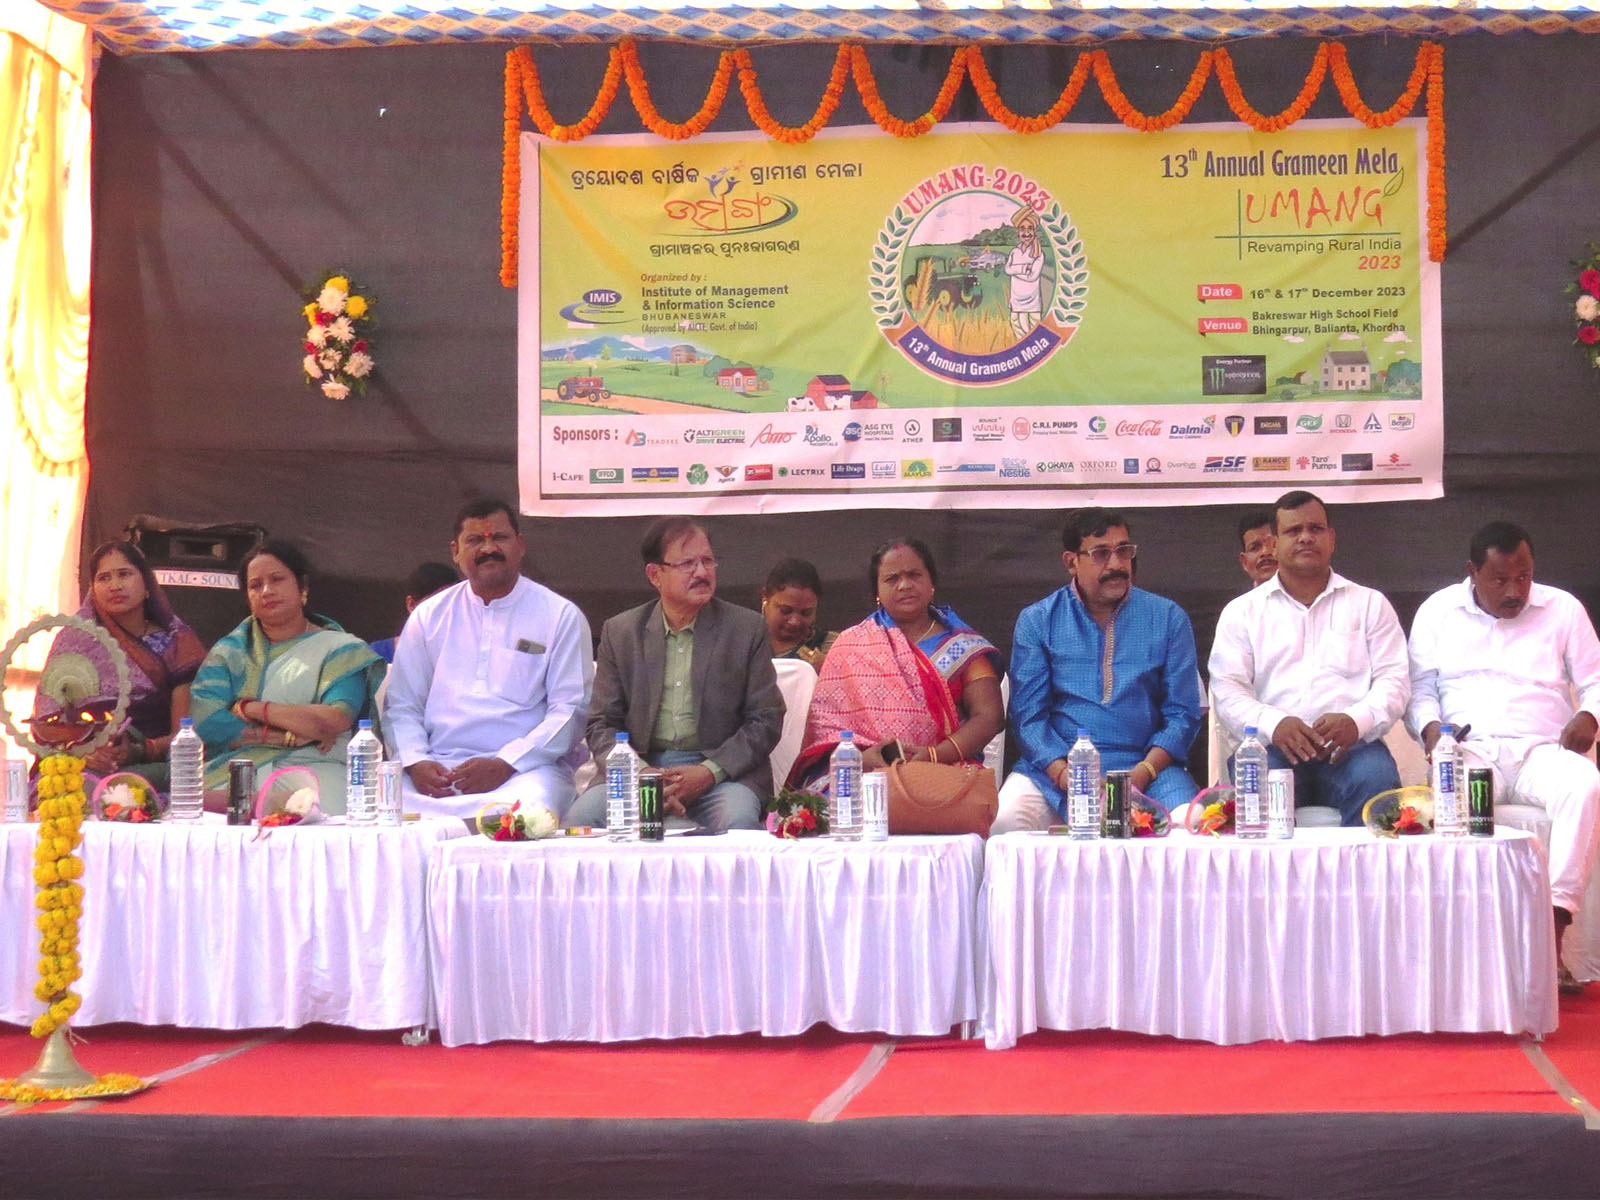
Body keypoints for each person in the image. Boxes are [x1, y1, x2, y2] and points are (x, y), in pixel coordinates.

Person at [1408, 521, 1600, 993]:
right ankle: (1470, 948)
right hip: (1471, 749)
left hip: (1543, 749)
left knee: (1585, 784)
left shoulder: (1563, 608)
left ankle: (1554, 926)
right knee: (1454, 794)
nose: (1515, 591)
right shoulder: (1438, 611)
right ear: (1472, 572)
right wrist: (1431, 730)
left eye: (1524, 577)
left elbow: (1595, 679)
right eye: (1500, 580)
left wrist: (1589, 715)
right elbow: (1420, 689)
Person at [384, 498, 593, 821]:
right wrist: (416, 761)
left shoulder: (559, 615)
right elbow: (402, 704)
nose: (488, 548)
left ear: (520, 545)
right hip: (436, 771)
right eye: (475, 540)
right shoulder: (428, 616)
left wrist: (506, 763)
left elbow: (570, 711)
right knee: (385, 811)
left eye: (499, 537)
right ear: (455, 551)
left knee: (528, 813)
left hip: (525, 772)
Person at [1209, 490, 1409, 825]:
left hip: (1353, 749)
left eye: (1315, 529)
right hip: (1272, 748)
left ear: (1331, 539)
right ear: (1274, 544)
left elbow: (1395, 681)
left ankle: (1360, 865)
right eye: (1293, 530)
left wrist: (1356, 720)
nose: (1305, 537)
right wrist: (1274, 724)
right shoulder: (1242, 612)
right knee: (1258, 785)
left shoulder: (1369, 604)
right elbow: (1228, 689)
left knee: (1376, 781)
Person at [571, 517, 783, 831]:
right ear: (655, 574)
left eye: (708, 561)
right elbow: (601, 723)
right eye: (687, 564)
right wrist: (641, 774)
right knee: (582, 820)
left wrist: (708, 772)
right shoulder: (622, 632)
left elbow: (766, 718)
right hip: (638, 770)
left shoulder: (745, 629)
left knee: (736, 820)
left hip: (721, 775)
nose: (702, 573)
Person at [997, 509, 1203, 832]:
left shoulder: (1166, 618)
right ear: (1071, 562)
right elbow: (1028, 718)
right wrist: (1064, 774)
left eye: (1123, 551)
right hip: (1056, 770)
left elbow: (1182, 714)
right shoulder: (1039, 620)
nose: (1116, 564)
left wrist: (1141, 773)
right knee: (1005, 821)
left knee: (1191, 823)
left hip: (1149, 769)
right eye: (1101, 554)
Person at [791, 536, 1004, 785]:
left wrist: (934, 755)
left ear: (931, 583)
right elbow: (825, 732)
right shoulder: (850, 645)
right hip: (862, 774)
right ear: (877, 592)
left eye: (914, 575)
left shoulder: (962, 646)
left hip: (942, 770)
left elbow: (989, 717)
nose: (904, 585)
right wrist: (860, 759)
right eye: (892, 579)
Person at [190, 541, 384, 814]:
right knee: (188, 804)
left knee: (312, 807)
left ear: (302, 586)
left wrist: (249, 708)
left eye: (277, 579)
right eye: (255, 585)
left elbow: (333, 720)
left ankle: (261, 805)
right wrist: (285, 736)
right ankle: (259, 804)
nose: (266, 591)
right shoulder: (228, 653)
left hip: (316, 768)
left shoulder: (341, 649)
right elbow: (207, 723)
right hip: (236, 770)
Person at [31, 540, 206, 791]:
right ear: (92, 589)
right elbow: (45, 723)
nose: (115, 586)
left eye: (124, 574)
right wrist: (82, 750)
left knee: (124, 786)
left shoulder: (177, 641)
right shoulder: (73, 641)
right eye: (104, 578)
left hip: (148, 765)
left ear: (147, 584)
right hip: (77, 763)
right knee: (70, 784)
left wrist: (139, 749)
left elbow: (186, 736)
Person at [370, 561, 459, 664]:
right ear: (411, 604)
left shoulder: (465, 653)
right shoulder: (375, 655)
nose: (445, 614)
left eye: (452, 605)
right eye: (436, 607)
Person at [760, 557, 836, 670]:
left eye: (806, 613)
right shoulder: (744, 643)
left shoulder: (833, 646)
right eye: (786, 610)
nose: (794, 621)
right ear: (765, 599)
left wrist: (829, 670)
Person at [1237, 508, 1278, 587]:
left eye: (1273, 544)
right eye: (1254, 548)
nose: (1265, 552)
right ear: (1244, 562)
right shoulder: (1243, 596)